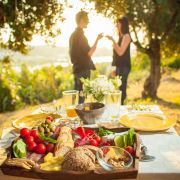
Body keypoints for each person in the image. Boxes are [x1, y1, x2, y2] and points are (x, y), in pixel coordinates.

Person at [69, 11, 103, 103]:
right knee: (81, 98)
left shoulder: (73, 35)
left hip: (77, 69)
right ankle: (78, 116)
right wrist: (97, 39)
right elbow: (90, 52)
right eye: (87, 20)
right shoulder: (80, 35)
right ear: (81, 20)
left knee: (76, 96)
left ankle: (75, 116)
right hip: (83, 70)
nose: (88, 22)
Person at [106, 16, 131, 105]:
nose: (116, 25)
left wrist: (113, 41)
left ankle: (122, 107)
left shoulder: (127, 36)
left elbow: (120, 52)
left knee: (122, 88)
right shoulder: (120, 37)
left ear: (123, 25)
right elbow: (116, 56)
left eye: (118, 23)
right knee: (119, 88)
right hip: (119, 67)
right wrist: (114, 68)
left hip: (125, 67)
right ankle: (119, 107)